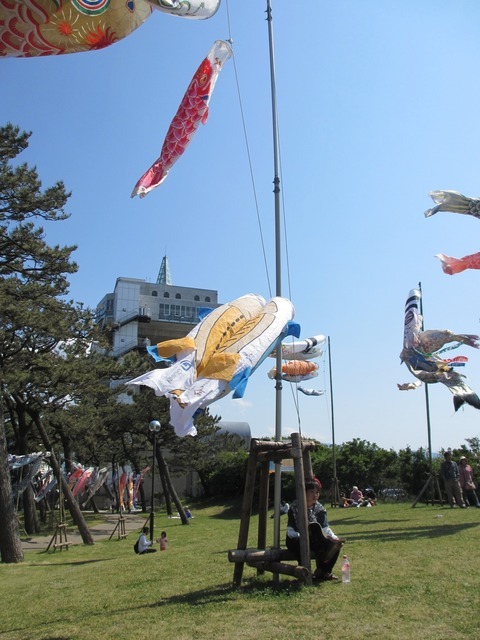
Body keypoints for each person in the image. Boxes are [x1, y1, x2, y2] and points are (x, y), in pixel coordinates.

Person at [286, 479, 345, 581]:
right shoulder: (294, 507)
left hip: (315, 540)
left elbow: (325, 527)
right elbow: (290, 531)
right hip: (296, 539)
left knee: (335, 544)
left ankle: (324, 571)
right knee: (301, 543)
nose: (315, 495)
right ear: (304, 493)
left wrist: (335, 538)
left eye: (317, 492)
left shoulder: (320, 509)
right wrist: (303, 536)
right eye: (311, 492)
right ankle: (304, 572)